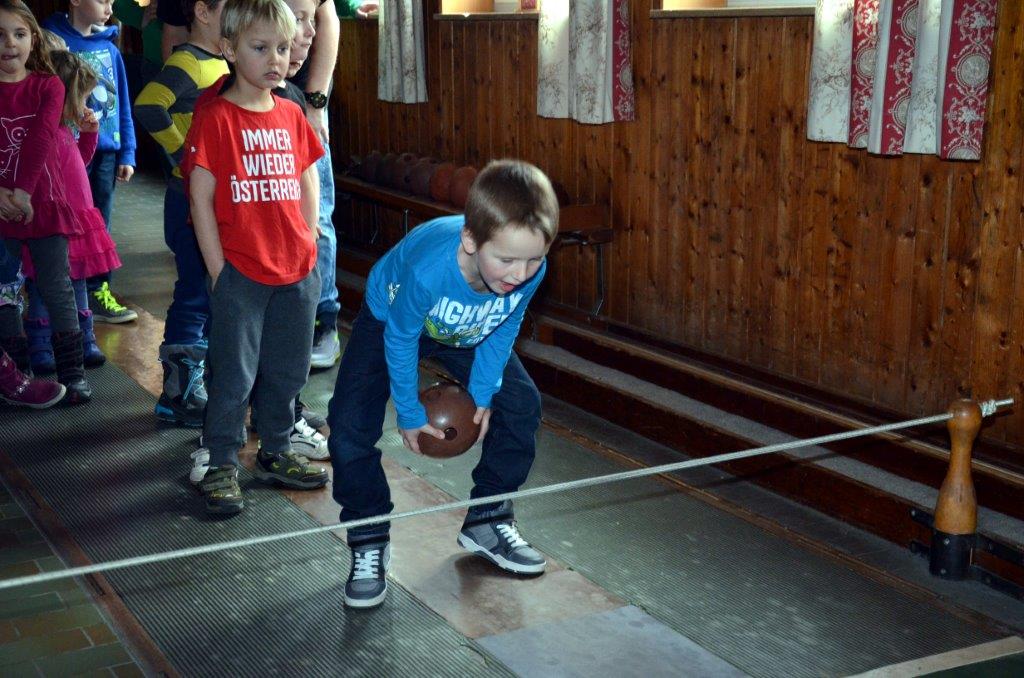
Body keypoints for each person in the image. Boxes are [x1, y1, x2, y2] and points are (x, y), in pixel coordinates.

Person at [327, 159, 559, 608]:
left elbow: (505, 325)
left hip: (469, 329)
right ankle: (368, 537)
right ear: (471, 240)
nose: (519, 274)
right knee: (349, 425)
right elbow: (401, 338)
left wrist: (486, 392)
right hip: (393, 319)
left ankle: (488, 520)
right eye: (507, 260)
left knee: (521, 403)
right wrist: (409, 412)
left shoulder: (529, 271)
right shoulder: (430, 270)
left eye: (534, 259)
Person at [182, 0, 328, 515]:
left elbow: (308, 177)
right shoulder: (215, 118)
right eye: (260, 47)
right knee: (234, 375)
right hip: (241, 272)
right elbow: (200, 198)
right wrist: (218, 269)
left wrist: (308, 239)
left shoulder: (290, 113)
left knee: (288, 370)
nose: (275, 59)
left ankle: (277, 448)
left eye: (283, 48)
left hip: (296, 270)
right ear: (229, 48)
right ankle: (221, 461)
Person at [134, 0, 227, 428]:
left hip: (213, 199)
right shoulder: (188, 61)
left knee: (209, 292)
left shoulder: (220, 61)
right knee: (194, 292)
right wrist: (183, 153)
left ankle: (196, 382)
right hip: (188, 198)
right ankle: (177, 394)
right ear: (203, 12)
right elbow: (149, 105)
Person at [0, 0, 90, 403]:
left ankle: (73, 374)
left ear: (33, 39)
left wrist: (21, 192)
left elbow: (39, 141)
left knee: (57, 286)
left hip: (42, 201)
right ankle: (17, 376)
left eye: (19, 34)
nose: (10, 43)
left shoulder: (48, 85)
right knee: (5, 289)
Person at [22, 49, 123, 375]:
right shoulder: (41, 132)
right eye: (82, 97)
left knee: (78, 282)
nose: (86, 105)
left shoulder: (65, 130)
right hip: (52, 223)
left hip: (78, 219)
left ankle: (84, 340)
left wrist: (90, 134)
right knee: (44, 286)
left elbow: (80, 163)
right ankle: (40, 344)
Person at [45, 0, 139, 325]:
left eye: (112, 1)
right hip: (63, 151)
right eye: (102, 0)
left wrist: (128, 151)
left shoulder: (111, 49)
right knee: (63, 223)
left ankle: (98, 291)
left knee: (100, 224)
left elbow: (123, 103)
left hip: (105, 151)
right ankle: (60, 290)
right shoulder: (52, 42)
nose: (109, 7)